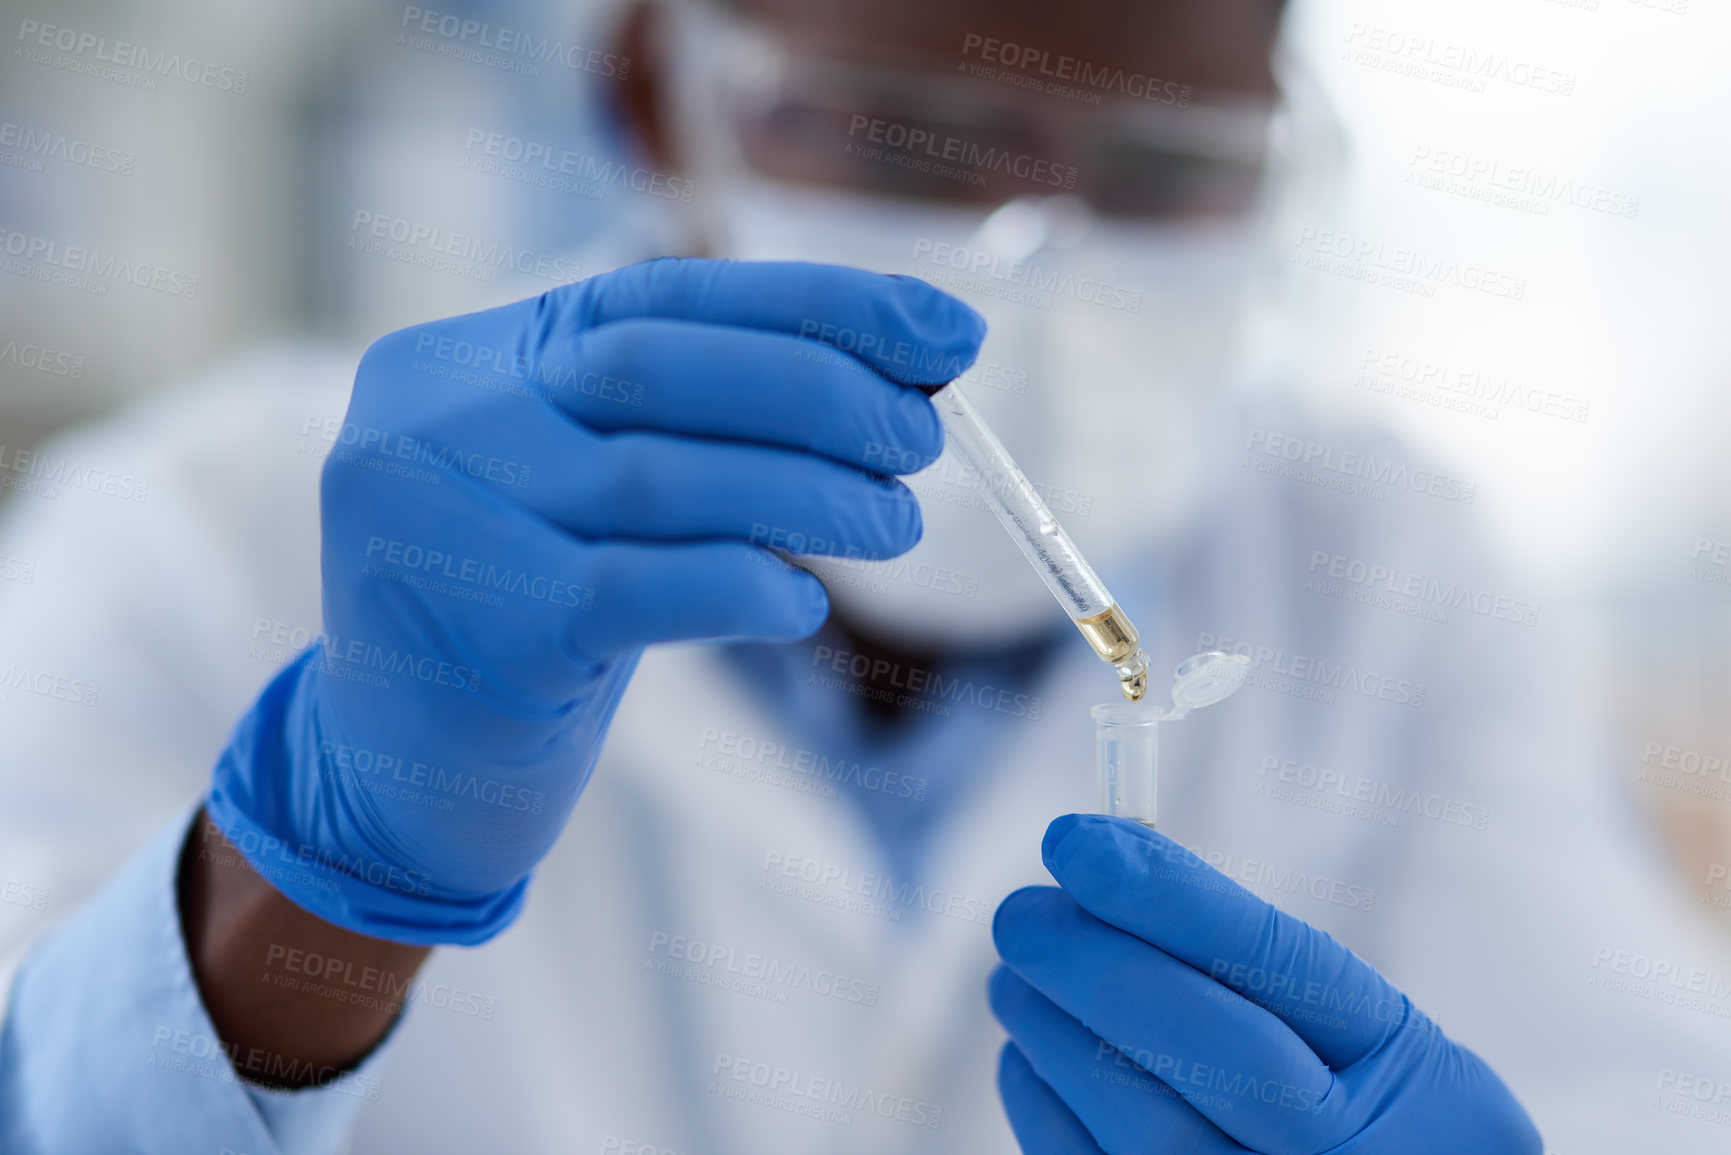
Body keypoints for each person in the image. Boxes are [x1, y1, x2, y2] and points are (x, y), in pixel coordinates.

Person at [0, 1, 1724, 1152]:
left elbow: (1633, 1102)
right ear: (653, 91)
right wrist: (313, 888)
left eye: (1167, 169)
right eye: (907, 137)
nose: (1035, 246)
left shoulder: (1387, 572)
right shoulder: (198, 532)